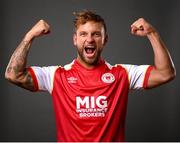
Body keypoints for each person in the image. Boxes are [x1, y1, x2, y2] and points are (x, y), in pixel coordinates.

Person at [5, 10, 176, 142]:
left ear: (105, 40)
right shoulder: (56, 76)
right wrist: (30, 36)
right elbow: (13, 74)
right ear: (75, 39)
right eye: (83, 34)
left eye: (96, 34)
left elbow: (165, 73)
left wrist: (152, 33)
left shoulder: (122, 74)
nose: (90, 39)